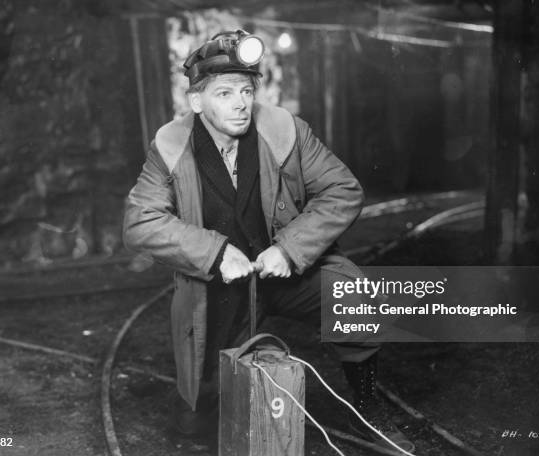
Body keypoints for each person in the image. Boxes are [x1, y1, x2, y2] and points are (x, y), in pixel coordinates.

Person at [123, 30, 414, 453]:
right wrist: (215, 253)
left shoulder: (283, 130)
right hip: (218, 287)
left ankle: (371, 409)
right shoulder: (170, 146)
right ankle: (200, 406)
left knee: (353, 303)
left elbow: (343, 190)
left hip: (288, 272)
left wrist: (290, 249)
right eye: (225, 93)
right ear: (197, 102)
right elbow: (139, 222)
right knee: (194, 426)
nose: (241, 102)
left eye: (246, 90)